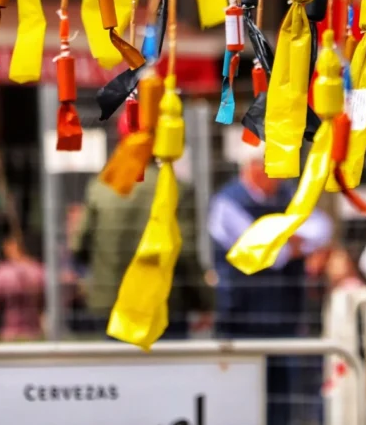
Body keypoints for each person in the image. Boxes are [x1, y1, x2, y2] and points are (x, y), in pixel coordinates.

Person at [208, 147, 333, 425]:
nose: (279, 175)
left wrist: (281, 241)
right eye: (273, 166)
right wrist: (291, 239)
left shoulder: (287, 195)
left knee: (281, 397)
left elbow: (322, 229)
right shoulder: (227, 202)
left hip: (284, 315)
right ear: (252, 167)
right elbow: (266, 254)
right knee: (242, 393)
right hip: (240, 318)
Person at [73, 165, 213, 339]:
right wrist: (203, 302)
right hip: (163, 303)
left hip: (111, 301)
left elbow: (80, 247)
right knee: (165, 365)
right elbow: (185, 253)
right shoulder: (175, 188)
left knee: (116, 363)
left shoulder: (100, 187)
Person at [0, 224, 46, 341]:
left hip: (9, 333)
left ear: (10, 247)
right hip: (34, 333)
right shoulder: (38, 270)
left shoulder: (2, 272)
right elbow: (47, 300)